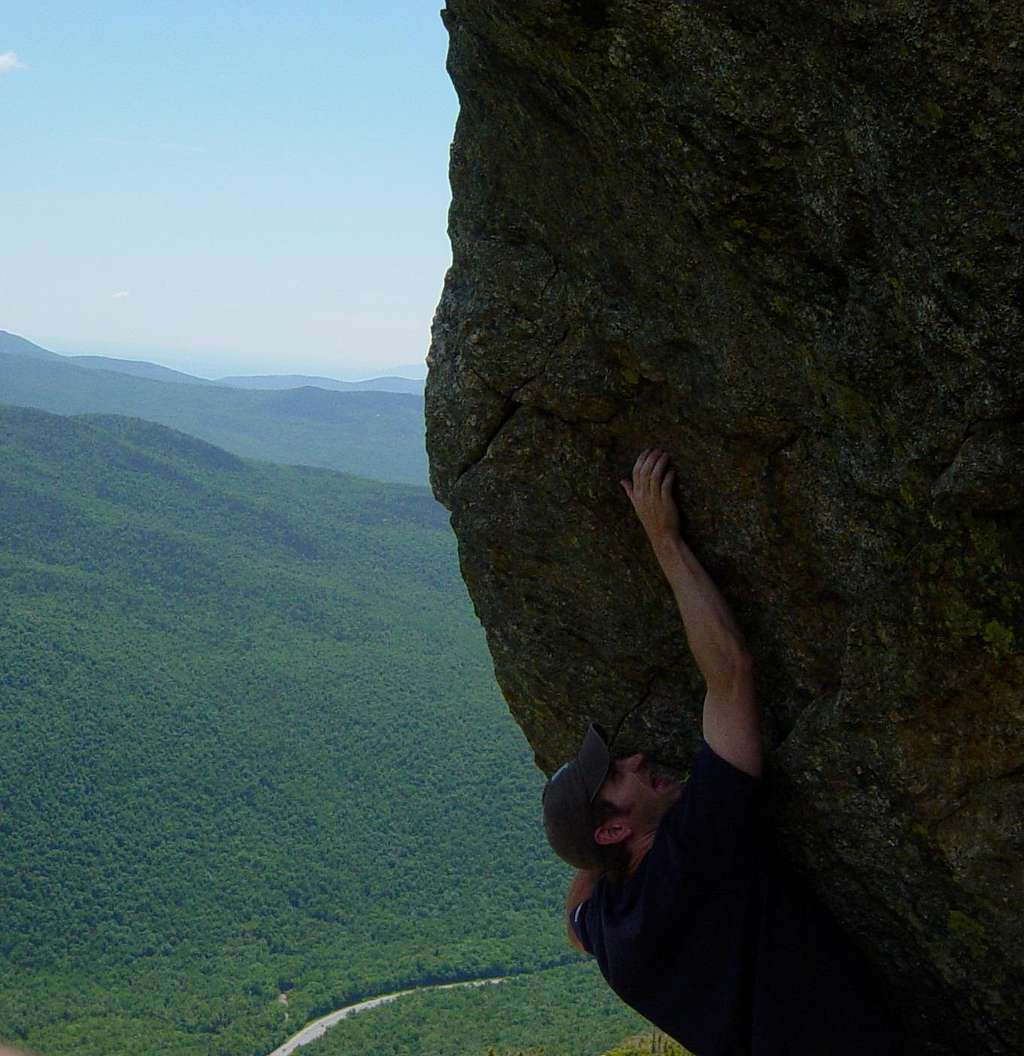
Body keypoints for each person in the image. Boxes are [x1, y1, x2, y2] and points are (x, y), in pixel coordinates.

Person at [542, 449, 901, 1056]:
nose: (633, 761)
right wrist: (663, 539)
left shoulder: (609, 930)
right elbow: (731, 673)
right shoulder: (693, 854)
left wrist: (597, 838)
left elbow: (574, 922)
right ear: (613, 831)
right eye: (614, 777)